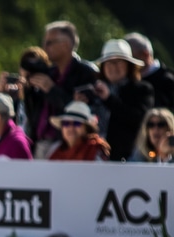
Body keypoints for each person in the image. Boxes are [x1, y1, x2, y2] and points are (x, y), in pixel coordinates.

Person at [26, 20, 99, 158]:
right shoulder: (49, 72)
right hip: (40, 144)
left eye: (49, 43)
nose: (44, 48)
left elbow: (82, 112)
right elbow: (34, 112)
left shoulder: (86, 73)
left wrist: (51, 89)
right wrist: (26, 89)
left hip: (67, 146)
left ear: (66, 45)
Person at [93, 39, 154, 162]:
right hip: (94, 155)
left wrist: (109, 99)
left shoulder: (142, 89)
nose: (113, 67)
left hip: (128, 157)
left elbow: (138, 118)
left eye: (118, 62)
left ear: (129, 66)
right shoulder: (95, 91)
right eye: (109, 62)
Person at [123, 33, 174, 111]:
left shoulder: (168, 80)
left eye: (131, 58)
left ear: (145, 54)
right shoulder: (126, 80)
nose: (127, 64)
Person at [45, 101, 109, 161]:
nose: (70, 128)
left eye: (76, 123)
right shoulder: (54, 148)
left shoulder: (95, 149)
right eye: (66, 123)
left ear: (86, 128)